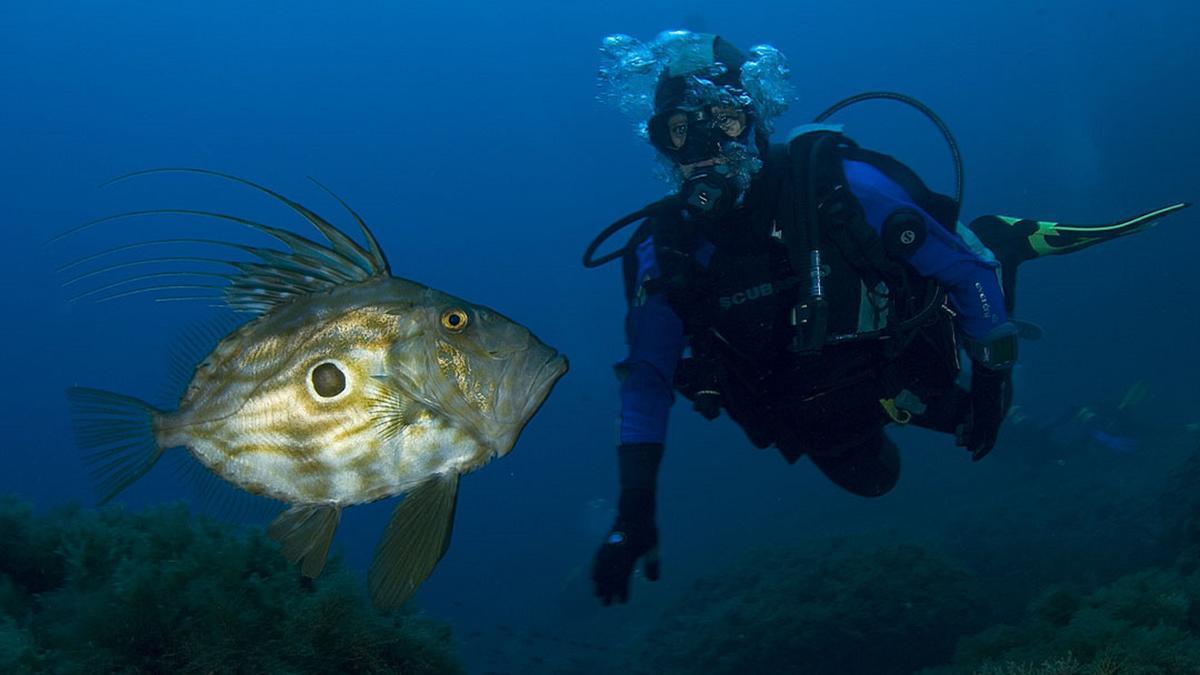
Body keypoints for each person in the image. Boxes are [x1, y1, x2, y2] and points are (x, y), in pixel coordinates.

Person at [584, 30, 1189, 605]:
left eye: (726, 123)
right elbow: (647, 382)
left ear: (756, 121)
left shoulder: (842, 189)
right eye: (679, 132)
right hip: (809, 410)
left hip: (901, 360)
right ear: (659, 142)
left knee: (986, 398)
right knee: (875, 482)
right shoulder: (662, 253)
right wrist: (632, 514)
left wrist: (991, 383)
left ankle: (995, 244)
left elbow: (966, 281)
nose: (704, 152)